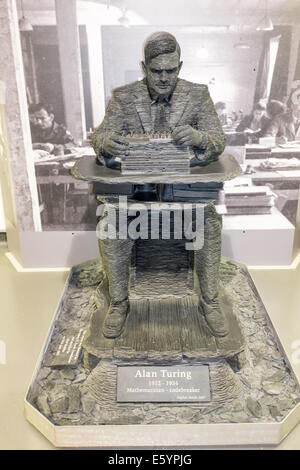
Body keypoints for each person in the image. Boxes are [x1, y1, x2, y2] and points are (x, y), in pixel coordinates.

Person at [91, 32, 227, 339]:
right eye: (156, 72)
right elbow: (99, 137)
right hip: (138, 194)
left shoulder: (198, 94)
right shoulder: (124, 97)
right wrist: (106, 143)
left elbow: (218, 140)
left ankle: (209, 302)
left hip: (183, 193)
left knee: (208, 221)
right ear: (143, 67)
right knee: (112, 223)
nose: (164, 78)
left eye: (171, 70)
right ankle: (119, 303)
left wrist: (200, 138)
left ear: (180, 66)